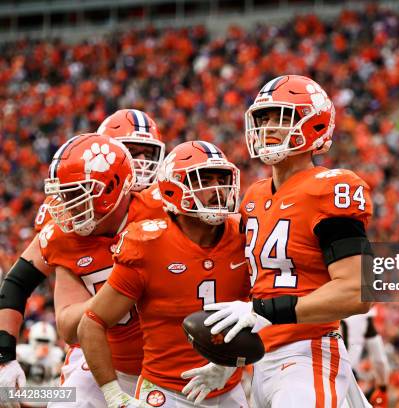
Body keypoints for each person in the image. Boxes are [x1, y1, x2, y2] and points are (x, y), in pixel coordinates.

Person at [187, 75, 374, 407]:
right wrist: (225, 359)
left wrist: (266, 312)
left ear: (314, 125)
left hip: (308, 352)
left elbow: (357, 291)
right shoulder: (254, 196)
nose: (268, 127)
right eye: (264, 118)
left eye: (280, 117)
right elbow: (256, 289)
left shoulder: (331, 188)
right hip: (261, 360)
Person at [0, 109, 165, 397]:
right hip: (100, 354)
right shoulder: (69, 221)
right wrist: (3, 356)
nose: (139, 164)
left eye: (146, 154)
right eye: (129, 152)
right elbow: (18, 283)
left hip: (169, 359)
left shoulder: (168, 207)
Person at [77, 141, 250, 407]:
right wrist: (113, 395)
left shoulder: (244, 235)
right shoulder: (148, 243)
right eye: (204, 180)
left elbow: (265, 308)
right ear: (172, 189)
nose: (217, 189)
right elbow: (91, 322)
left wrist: (230, 364)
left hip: (229, 386)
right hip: (166, 393)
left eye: (222, 179)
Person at [40, 132, 165, 407]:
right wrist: (117, 292)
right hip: (110, 365)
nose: (66, 205)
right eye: (63, 193)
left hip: (170, 366)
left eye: (76, 193)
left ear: (110, 188)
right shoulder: (65, 238)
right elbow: (69, 327)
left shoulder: (162, 210)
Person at [342, 307, 390, 407]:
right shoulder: (361, 316)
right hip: (346, 379)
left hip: (317, 375)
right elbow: (379, 359)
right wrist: (382, 387)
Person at [16, 322, 64, 408]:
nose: (42, 344)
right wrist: (34, 359)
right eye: (39, 340)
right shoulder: (21, 352)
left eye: (46, 341)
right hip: (24, 402)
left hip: (47, 403)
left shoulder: (58, 354)